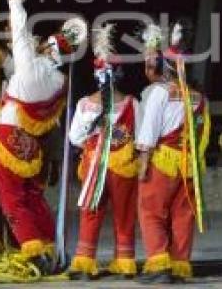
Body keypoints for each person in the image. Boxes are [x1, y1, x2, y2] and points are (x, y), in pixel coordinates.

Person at [0, 0, 86, 274]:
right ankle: (50, 245)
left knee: (12, 198)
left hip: (8, 138)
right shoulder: (59, 82)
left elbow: (20, 29)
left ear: (45, 49)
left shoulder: (29, 67)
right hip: (32, 148)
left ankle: (33, 250)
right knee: (33, 196)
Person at [135, 21, 211, 284]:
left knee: (151, 211)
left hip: (163, 161)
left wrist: (143, 163)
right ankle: (180, 265)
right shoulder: (197, 97)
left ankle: (158, 265)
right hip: (188, 164)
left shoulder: (160, 92)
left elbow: (149, 131)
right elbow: (202, 133)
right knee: (182, 215)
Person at [67, 25, 140, 279]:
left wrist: (92, 126)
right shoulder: (133, 103)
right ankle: (125, 261)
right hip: (124, 167)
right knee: (125, 213)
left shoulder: (86, 104)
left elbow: (75, 137)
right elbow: (140, 138)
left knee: (91, 213)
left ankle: (85, 263)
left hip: (94, 165)